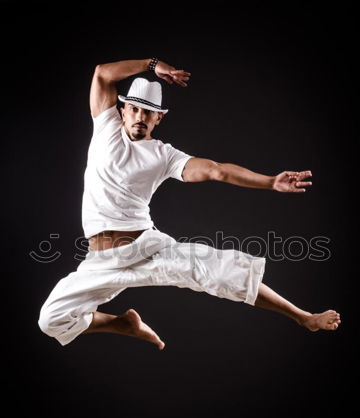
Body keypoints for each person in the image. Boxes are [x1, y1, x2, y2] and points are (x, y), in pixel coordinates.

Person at [38, 57, 341, 349]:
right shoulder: (105, 128)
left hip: (145, 249)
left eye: (149, 113)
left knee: (223, 272)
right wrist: (152, 65)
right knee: (51, 319)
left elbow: (215, 169)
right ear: (123, 110)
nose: (141, 117)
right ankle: (124, 324)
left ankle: (305, 318)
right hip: (100, 261)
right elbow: (103, 73)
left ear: (159, 117)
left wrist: (269, 181)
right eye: (134, 109)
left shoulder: (164, 155)